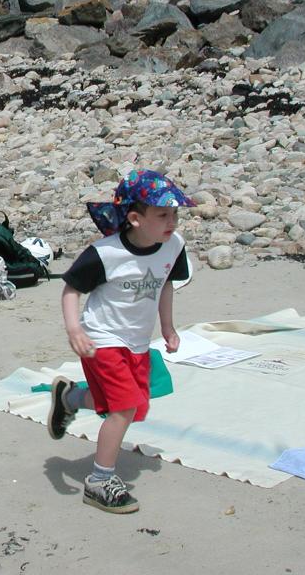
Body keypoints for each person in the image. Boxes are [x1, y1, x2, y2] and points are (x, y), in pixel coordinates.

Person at [47, 169, 194, 514]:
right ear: (134, 218)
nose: (172, 221)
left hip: (138, 342)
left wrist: (169, 328)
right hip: (101, 338)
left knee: (126, 405)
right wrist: (74, 331)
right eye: (162, 214)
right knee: (124, 407)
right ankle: (99, 480)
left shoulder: (173, 245)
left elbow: (166, 284)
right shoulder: (105, 253)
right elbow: (72, 289)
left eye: (175, 213)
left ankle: (69, 398)